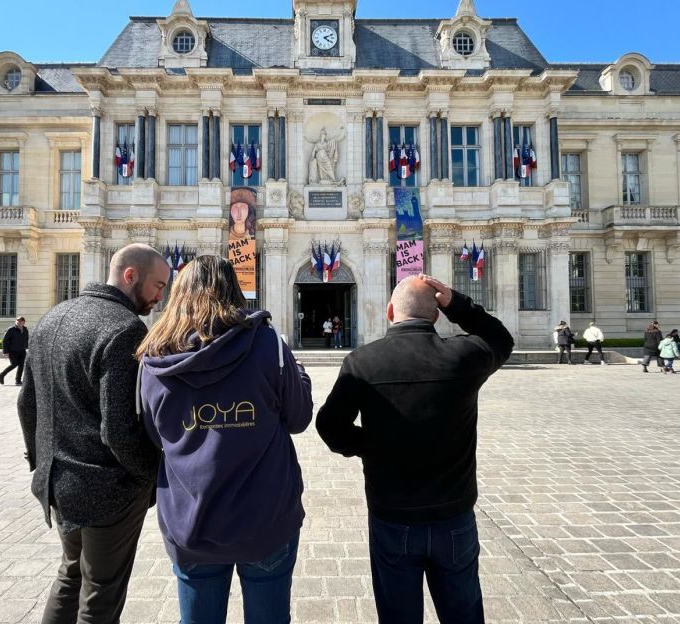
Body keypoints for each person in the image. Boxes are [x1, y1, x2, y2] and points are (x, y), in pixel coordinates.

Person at [316, 274, 513, 624]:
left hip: (393, 516)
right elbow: (499, 337)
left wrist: (370, 446)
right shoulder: (463, 356)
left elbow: (329, 426)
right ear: (437, 315)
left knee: (397, 616)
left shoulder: (362, 362)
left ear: (390, 311)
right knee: (464, 615)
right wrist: (457, 303)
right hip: (454, 516)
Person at [136, 255, 313, 624]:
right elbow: (297, 419)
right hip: (265, 518)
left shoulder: (154, 358)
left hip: (192, 521)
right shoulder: (268, 345)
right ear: (233, 289)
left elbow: (155, 435)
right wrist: (300, 377)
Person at [17, 243, 170, 624]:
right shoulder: (124, 328)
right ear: (130, 275)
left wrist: (42, 463)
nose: (160, 296)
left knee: (70, 576)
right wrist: (150, 477)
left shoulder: (51, 318)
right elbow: (119, 430)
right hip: (106, 489)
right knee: (100, 596)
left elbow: (25, 404)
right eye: (158, 285)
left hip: (57, 483)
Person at [0, 316, 29, 385]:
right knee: (14, 364)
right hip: (12, 351)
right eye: (17, 321)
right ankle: (2, 375)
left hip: (22, 350)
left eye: (20, 321)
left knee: (21, 365)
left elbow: (26, 339)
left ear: (23, 322)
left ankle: (18, 380)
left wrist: (27, 347)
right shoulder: (11, 330)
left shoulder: (25, 329)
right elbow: (4, 341)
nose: (18, 322)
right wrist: (5, 351)